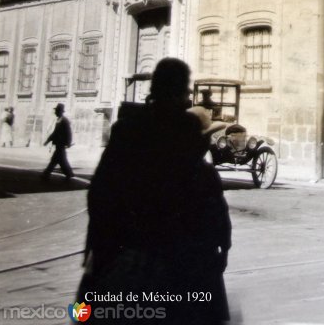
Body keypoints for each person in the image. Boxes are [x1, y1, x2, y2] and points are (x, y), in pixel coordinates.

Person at [83, 57, 231, 324]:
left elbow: (100, 193)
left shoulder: (126, 129)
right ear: (181, 92)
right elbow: (209, 203)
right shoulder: (187, 135)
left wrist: (96, 245)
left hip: (126, 255)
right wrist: (221, 247)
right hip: (178, 261)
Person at [42, 103, 73, 181]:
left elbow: (68, 132)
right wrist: (48, 140)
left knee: (56, 160)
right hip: (58, 143)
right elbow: (55, 132)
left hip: (61, 143)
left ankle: (46, 174)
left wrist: (68, 142)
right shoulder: (59, 120)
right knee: (60, 160)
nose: (55, 112)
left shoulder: (64, 121)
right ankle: (68, 173)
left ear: (60, 111)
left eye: (56, 111)